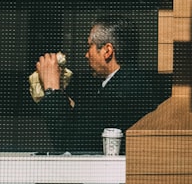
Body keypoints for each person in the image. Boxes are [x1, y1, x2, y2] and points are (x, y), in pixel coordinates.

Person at [34, 16, 170, 153]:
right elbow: (87, 124)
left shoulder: (122, 91)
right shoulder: (126, 83)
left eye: (90, 46)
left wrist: (52, 89)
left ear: (107, 51)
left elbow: (70, 144)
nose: (86, 55)